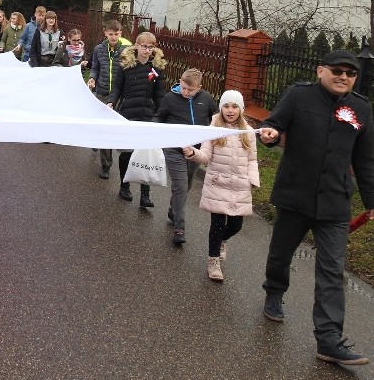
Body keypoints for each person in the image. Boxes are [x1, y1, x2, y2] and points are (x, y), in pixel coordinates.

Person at [258, 49, 374, 366]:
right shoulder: (299, 95)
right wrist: (269, 135)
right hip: (296, 195)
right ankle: (274, 292)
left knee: (332, 272)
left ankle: (329, 340)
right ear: (322, 70)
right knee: (281, 255)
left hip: (335, 202)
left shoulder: (361, 107)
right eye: (337, 71)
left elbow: (365, 160)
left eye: (350, 74)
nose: (343, 77)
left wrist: (371, 201)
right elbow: (273, 124)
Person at [183, 90, 258, 281]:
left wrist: (253, 180)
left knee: (236, 225)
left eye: (234, 106)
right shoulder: (214, 129)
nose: (230, 111)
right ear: (221, 108)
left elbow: (252, 159)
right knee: (216, 224)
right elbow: (206, 155)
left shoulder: (248, 132)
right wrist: (193, 153)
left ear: (241, 109)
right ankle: (213, 261)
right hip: (218, 183)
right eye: (226, 106)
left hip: (240, 185)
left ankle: (223, 240)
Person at [153, 68, 218, 245]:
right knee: (180, 186)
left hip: (196, 151)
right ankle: (179, 228)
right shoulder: (170, 98)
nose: (186, 92)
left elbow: (216, 119)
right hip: (173, 149)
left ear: (200, 88)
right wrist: (152, 129)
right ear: (180, 83)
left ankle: (173, 210)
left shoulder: (206, 99)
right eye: (183, 88)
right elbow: (159, 117)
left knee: (187, 185)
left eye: (191, 90)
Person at [106, 32, 166, 208]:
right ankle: (124, 185)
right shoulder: (126, 66)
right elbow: (117, 88)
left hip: (148, 115)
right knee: (127, 152)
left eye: (150, 47)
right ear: (137, 46)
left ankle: (145, 194)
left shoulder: (157, 69)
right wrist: (111, 102)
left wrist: (162, 115)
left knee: (145, 153)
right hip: (128, 114)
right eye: (144, 46)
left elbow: (160, 95)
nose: (147, 50)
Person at [88, 19, 131, 178]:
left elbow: (130, 69)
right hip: (102, 91)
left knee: (115, 127)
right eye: (111, 34)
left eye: (117, 34)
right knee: (104, 127)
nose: (113, 37)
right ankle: (106, 165)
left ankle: (103, 143)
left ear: (121, 34)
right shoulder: (99, 49)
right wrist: (92, 78)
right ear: (105, 33)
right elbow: (95, 67)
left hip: (120, 94)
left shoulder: (127, 50)